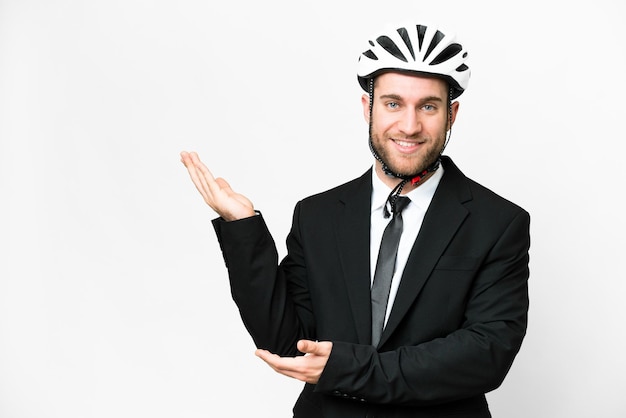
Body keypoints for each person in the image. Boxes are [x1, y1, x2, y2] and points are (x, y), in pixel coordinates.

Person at [181, 21, 530, 418]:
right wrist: (243, 227)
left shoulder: (499, 223)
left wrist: (349, 369)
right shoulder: (317, 215)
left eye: (428, 106)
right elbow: (286, 343)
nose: (410, 125)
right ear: (368, 108)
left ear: (451, 115)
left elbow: (485, 355)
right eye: (393, 103)